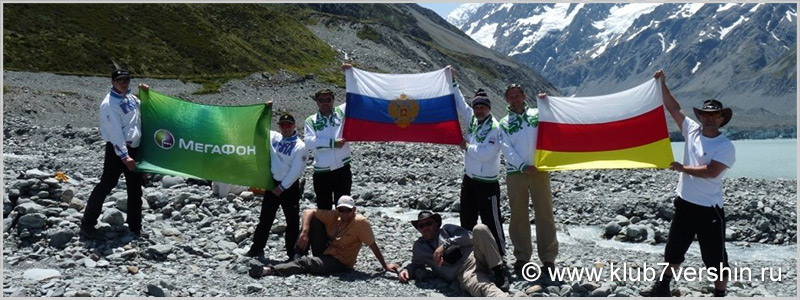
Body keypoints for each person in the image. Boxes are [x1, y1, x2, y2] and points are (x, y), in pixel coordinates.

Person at [643, 70, 736, 297]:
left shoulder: (726, 146)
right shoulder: (692, 130)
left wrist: (682, 168)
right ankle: (662, 288)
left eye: (714, 115)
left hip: (709, 209)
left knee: (714, 256)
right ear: (701, 116)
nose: (709, 118)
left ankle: (720, 293)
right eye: (705, 114)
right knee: (673, 250)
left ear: (722, 118)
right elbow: (674, 108)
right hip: (685, 204)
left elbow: (711, 172)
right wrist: (662, 84)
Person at [248, 196, 399, 277]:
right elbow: (308, 211)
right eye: (341, 210)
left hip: (340, 261)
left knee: (306, 263)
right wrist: (305, 232)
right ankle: (297, 254)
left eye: (348, 210)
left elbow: (372, 245)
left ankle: (268, 270)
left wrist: (385, 266)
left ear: (354, 210)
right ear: (337, 210)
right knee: (313, 220)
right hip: (327, 250)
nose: (344, 214)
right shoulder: (334, 216)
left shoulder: (360, 223)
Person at [498, 83, 560, 282]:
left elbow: (554, 125)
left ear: (524, 96)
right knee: (518, 215)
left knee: (545, 213)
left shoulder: (537, 114)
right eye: (511, 96)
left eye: (518, 95)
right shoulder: (504, 123)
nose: (515, 99)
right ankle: (522, 257)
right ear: (507, 100)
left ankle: (548, 258)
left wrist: (546, 104)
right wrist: (523, 166)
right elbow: (506, 148)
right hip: (516, 173)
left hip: (540, 170)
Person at [81, 69, 149, 237]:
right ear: (113, 82)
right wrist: (125, 156)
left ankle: (135, 226)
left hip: (134, 147)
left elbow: (140, 114)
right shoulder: (109, 104)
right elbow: (115, 132)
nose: (124, 83)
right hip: (118, 151)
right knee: (106, 184)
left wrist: (146, 94)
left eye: (126, 80)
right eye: (120, 81)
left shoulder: (131, 98)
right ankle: (87, 224)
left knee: (135, 188)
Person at [449, 67, 506, 256]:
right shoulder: (473, 119)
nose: (479, 110)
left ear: (489, 108)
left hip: (487, 183)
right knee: (467, 217)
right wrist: (453, 82)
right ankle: (468, 252)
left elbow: (486, 154)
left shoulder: (494, 128)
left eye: (483, 107)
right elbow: (460, 103)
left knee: (491, 220)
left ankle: (499, 254)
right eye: (477, 107)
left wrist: (466, 147)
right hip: (469, 179)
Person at [397, 211, 509, 296]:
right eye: (422, 226)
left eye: (429, 223)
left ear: (436, 224)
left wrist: (445, 245)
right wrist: (406, 271)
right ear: (419, 230)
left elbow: (469, 237)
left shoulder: (448, 229)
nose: (426, 228)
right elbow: (415, 263)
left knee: (480, 229)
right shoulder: (419, 247)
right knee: (484, 288)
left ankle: (498, 272)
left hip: (476, 256)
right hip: (464, 272)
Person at [245, 113, 308, 259]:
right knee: (265, 218)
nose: (286, 128)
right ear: (279, 127)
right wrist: (264, 111)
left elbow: (296, 170)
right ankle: (257, 249)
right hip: (272, 183)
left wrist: (282, 187)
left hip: (289, 186)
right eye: (283, 125)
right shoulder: (274, 137)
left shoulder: (300, 146)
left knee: (292, 221)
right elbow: (258, 128)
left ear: (294, 126)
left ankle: (292, 253)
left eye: (289, 125)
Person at [303, 87, 351, 210]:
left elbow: (355, 96)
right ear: (317, 102)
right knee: (324, 209)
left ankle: (342, 230)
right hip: (322, 172)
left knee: (343, 208)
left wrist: (349, 71)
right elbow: (309, 142)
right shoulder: (311, 120)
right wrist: (332, 143)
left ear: (333, 100)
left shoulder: (342, 112)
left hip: (342, 168)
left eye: (328, 99)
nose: (325, 103)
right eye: (321, 100)